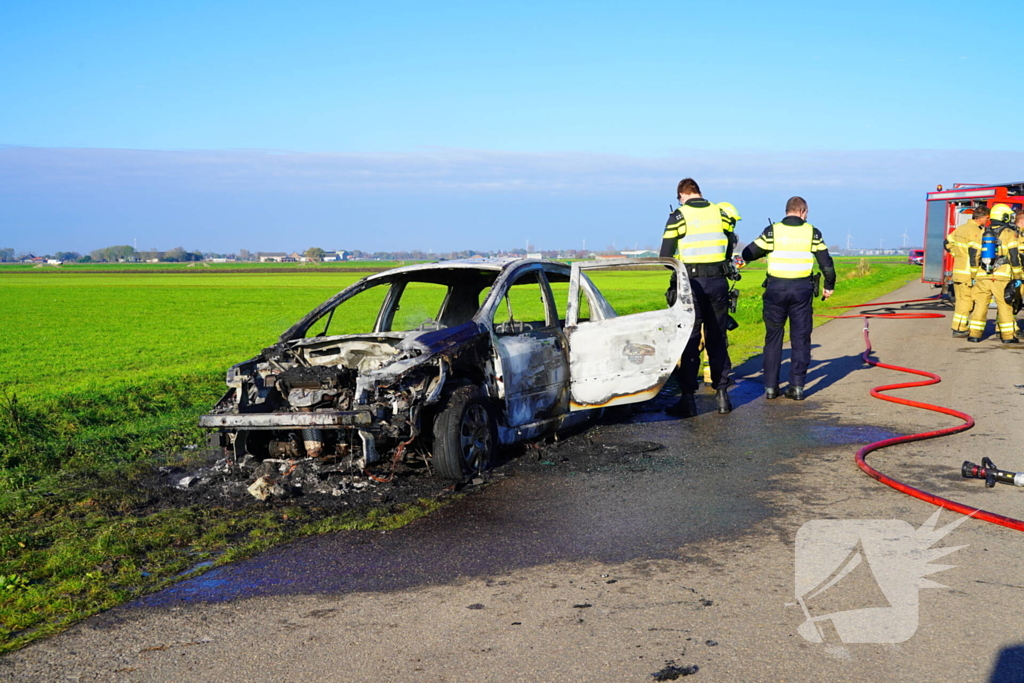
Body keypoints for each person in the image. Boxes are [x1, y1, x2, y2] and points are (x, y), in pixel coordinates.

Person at [741, 196, 836, 400]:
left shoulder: (772, 231)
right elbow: (826, 262)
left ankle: (771, 388)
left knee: (773, 337)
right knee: (800, 338)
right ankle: (797, 386)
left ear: (787, 210)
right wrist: (829, 286)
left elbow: (749, 253)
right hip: (802, 290)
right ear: (802, 211)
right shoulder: (812, 232)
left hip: (776, 289)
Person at [659, 178, 737, 417]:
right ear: (699, 193)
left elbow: (665, 257)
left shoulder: (679, 216)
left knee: (690, 340)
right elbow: (729, 242)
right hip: (719, 282)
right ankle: (722, 396)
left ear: (681, 195)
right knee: (717, 337)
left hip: (692, 284)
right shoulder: (720, 212)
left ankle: (688, 400)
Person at [967, 204, 1022, 343]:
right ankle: (1008, 337)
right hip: (1001, 276)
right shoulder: (1010, 233)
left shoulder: (982, 232)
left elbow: (973, 255)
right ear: (1004, 216)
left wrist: (974, 275)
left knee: (980, 305)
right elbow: (1014, 256)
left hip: (982, 276)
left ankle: (974, 335)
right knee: (1004, 305)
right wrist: (1018, 277)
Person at [944, 206, 988, 337]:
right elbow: (975, 254)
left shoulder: (961, 228)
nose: (987, 221)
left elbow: (946, 242)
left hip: (958, 271)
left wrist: (956, 254)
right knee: (966, 303)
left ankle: (959, 327)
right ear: (981, 218)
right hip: (967, 273)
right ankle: (959, 329)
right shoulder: (976, 231)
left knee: (961, 300)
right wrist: (975, 273)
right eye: (987, 218)